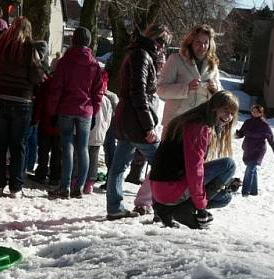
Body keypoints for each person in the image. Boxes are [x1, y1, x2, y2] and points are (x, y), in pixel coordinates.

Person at [105, 23, 172, 220]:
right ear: (153, 37)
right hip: (137, 122)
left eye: (165, 44)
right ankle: (161, 209)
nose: (162, 47)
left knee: (117, 168)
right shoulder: (142, 55)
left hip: (126, 120)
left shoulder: (137, 52)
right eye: (161, 41)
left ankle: (114, 208)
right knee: (161, 162)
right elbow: (139, 93)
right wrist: (148, 126)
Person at [150, 90, 240, 229]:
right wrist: (201, 207)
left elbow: (160, 161)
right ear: (214, 107)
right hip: (171, 190)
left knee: (224, 198)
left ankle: (168, 210)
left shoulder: (187, 120)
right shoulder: (199, 128)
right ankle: (185, 210)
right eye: (225, 111)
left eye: (232, 113)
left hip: (160, 192)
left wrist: (157, 203)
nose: (228, 117)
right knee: (228, 165)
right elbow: (195, 169)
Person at [0, 16, 45, 198]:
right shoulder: (30, 50)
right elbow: (37, 77)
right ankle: (15, 187)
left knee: (0, 143)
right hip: (22, 102)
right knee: (18, 145)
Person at [46, 26, 104, 199]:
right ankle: (79, 186)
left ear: (73, 40)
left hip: (66, 109)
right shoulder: (94, 65)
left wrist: (52, 110)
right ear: (89, 42)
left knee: (67, 148)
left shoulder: (65, 61)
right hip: (86, 110)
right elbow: (98, 92)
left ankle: (65, 186)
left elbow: (56, 88)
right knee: (83, 148)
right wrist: (95, 111)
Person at [157, 24, 221, 129]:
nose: (202, 46)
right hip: (176, 123)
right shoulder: (175, 59)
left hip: (200, 123)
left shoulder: (212, 64)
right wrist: (187, 88)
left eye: (206, 43)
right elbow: (160, 89)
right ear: (190, 42)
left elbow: (219, 92)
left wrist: (215, 89)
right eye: (198, 42)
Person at [236, 104, 274, 197]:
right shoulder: (248, 122)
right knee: (252, 170)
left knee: (250, 169)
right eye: (253, 111)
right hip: (248, 148)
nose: (254, 113)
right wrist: (234, 135)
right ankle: (253, 191)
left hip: (258, 150)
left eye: (257, 111)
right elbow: (241, 133)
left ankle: (245, 192)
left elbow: (272, 141)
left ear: (261, 113)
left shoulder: (265, 125)